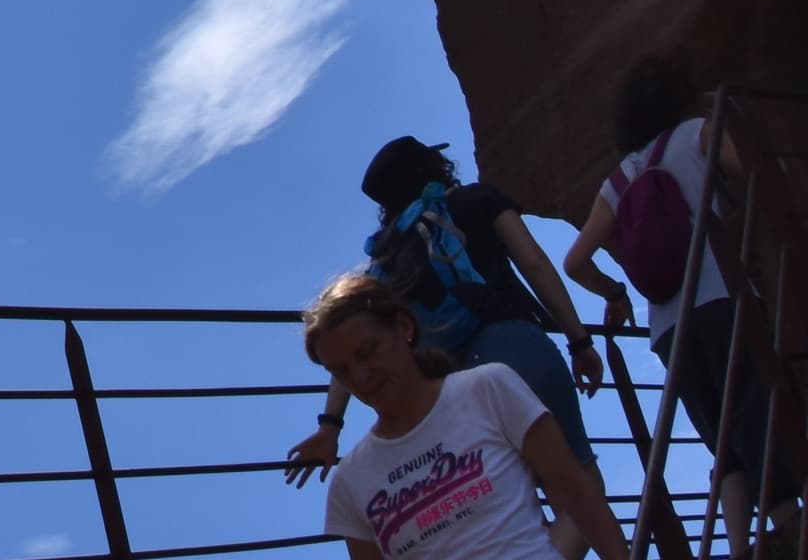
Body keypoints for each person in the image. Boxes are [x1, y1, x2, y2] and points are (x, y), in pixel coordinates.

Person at [289, 136, 610, 553]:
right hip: (517, 348)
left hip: (453, 388)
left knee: (506, 504)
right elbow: (533, 261)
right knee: (581, 486)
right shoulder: (477, 200)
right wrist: (578, 340)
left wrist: (329, 427)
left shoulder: (386, 257)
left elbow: (354, 346)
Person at [562, 56, 774, 553]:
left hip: (668, 329)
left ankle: (739, 547)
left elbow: (575, 262)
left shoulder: (619, 179)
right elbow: (755, 170)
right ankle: (787, 518)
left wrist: (615, 294)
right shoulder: (699, 133)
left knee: (720, 438)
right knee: (756, 414)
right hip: (724, 298)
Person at [299, 270, 634, 560]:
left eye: (367, 352)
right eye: (341, 371)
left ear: (403, 327)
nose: (360, 377)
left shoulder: (488, 388)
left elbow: (577, 494)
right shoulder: (350, 483)